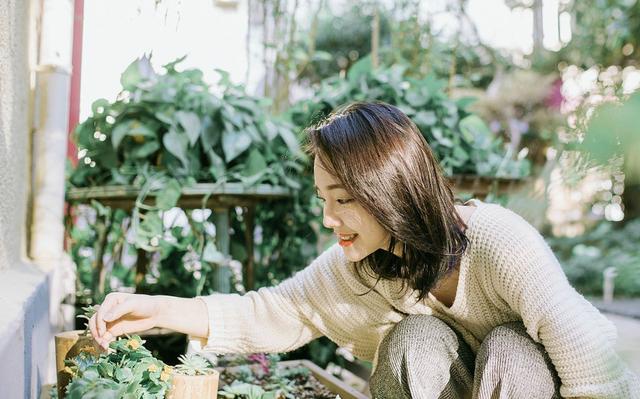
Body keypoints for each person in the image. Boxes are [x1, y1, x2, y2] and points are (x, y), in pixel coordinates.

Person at [90, 102, 640, 398]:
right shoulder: (358, 267)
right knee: (415, 337)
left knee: (511, 350)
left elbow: (587, 351)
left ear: (389, 190)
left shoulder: (498, 241)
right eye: (323, 199)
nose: (328, 218)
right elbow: (273, 310)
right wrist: (159, 310)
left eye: (343, 199)